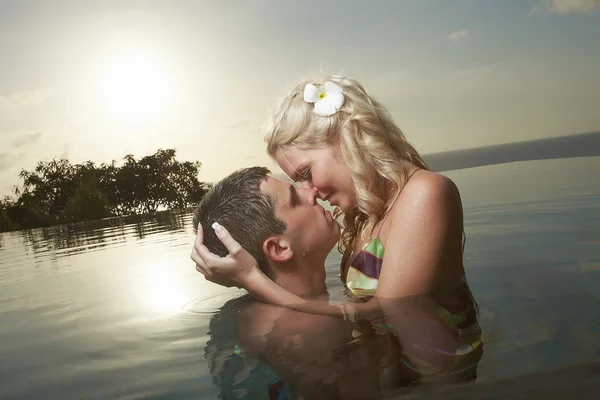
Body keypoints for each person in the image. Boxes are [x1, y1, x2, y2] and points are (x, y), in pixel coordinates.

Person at [192, 75, 483, 382]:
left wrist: (253, 279)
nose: (310, 190)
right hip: (399, 381)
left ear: (345, 140)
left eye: (306, 173)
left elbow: (387, 311)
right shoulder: (363, 218)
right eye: (298, 181)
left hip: (439, 381)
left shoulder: (424, 193)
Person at [194, 166, 415, 399]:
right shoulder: (310, 328)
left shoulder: (254, 315)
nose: (312, 192)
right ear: (279, 248)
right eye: (295, 199)